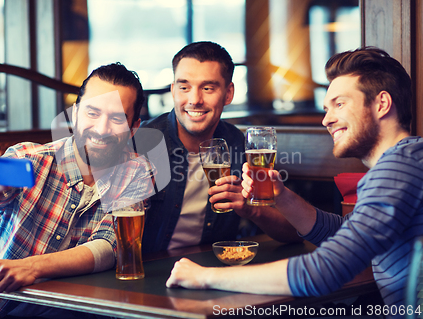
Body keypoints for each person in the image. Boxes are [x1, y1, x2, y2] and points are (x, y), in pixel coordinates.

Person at [166, 47, 423, 313]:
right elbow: (345, 232)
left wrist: (204, 277)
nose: (327, 120)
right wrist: (283, 196)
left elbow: (323, 271)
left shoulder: (398, 168)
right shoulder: (410, 160)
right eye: (326, 108)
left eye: (340, 104)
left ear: (381, 104)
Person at [0, 63, 155, 319]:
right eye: (92, 113)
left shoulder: (136, 172)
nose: (101, 128)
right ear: (74, 115)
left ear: (134, 127)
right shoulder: (29, 160)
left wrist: (34, 267)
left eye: (117, 118)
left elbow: (110, 247)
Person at [141, 41, 301, 254]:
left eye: (207, 88)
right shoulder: (142, 143)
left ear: (228, 94)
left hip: (214, 269)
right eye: (184, 87)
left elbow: (294, 231)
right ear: (173, 91)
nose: (195, 100)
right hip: (149, 271)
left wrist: (250, 209)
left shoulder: (240, 146)